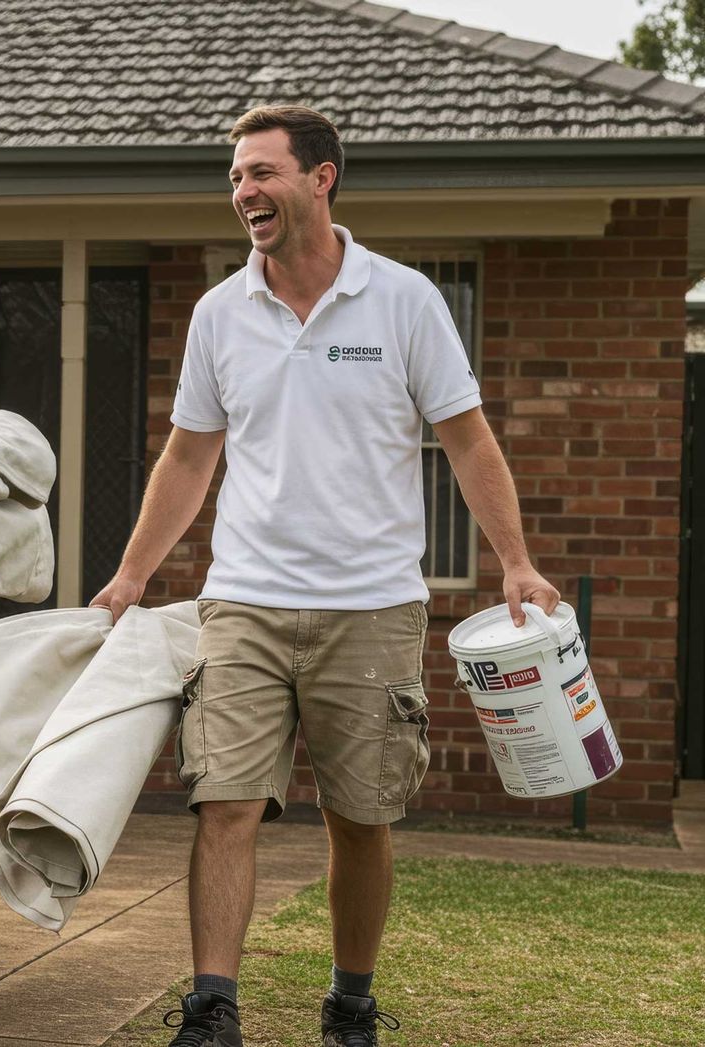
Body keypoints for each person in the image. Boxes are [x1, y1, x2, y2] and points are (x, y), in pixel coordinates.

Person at [89, 105, 557, 1047]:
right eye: (234, 179)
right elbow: (188, 458)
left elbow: (467, 440)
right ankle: (213, 1008)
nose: (244, 193)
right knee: (224, 802)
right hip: (245, 603)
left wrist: (515, 560)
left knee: (361, 819)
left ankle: (349, 1002)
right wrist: (132, 575)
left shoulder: (405, 300)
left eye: (261, 173)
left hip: (371, 607)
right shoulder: (220, 312)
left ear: (321, 178)